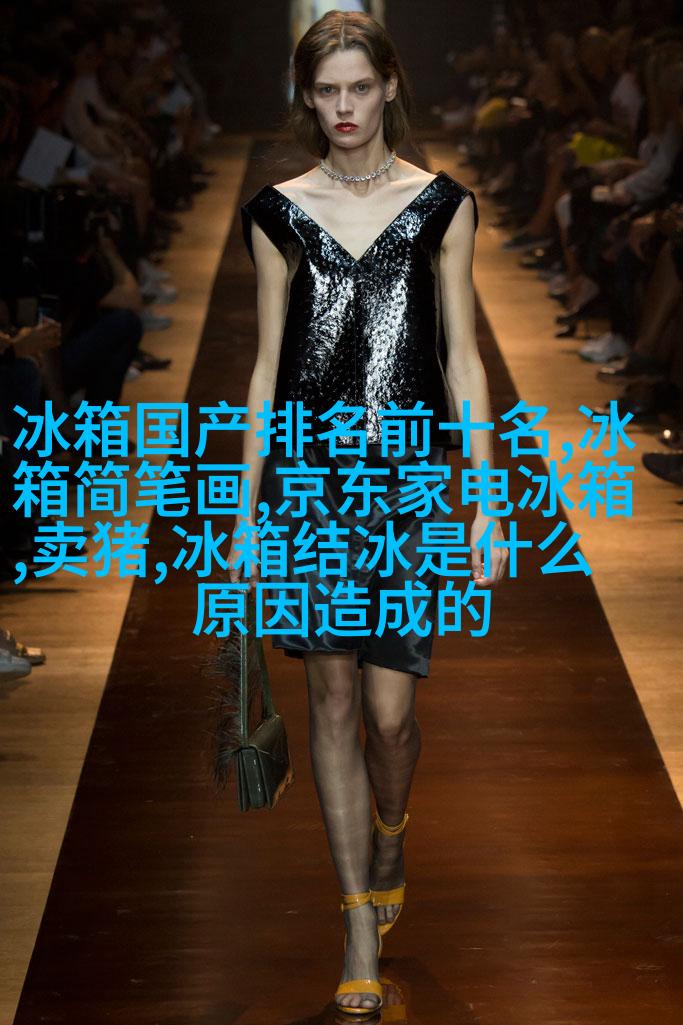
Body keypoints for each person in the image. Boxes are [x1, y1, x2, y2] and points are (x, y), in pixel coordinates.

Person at [228, 10, 508, 1017]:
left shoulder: (441, 206)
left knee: (392, 719)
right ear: (306, 99)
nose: (342, 107)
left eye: (357, 86)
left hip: (410, 483)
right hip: (310, 485)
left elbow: (461, 358)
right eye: (325, 91)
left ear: (389, 84)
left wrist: (485, 498)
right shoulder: (276, 213)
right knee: (333, 703)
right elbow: (265, 368)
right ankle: (354, 920)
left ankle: (392, 827)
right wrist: (245, 508)